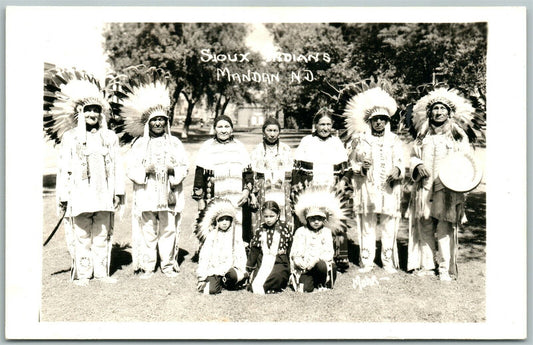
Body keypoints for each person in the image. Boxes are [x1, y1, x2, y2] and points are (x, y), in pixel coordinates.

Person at [44, 68, 125, 286]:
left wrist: (118, 192)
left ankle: (101, 272)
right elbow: (63, 169)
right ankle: (83, 273)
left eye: (96, 110)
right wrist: (63, 195)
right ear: (80, 112)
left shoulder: (109, 137)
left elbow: (117, 166)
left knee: (101, 235)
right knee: (81, 236)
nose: (92, 115)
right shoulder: (70, 138)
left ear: (102, 113)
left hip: (103, 194)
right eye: (88, 110)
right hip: (79, 195)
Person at [119, 71, 189, 279]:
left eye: (161, 120)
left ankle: (167, 264)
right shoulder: (139, 144)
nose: (158, 123)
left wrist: (172, 171)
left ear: (166, 122)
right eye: (154, 121)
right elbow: (130, 169)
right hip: (147, 193)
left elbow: (184, 166)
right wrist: (145, 171)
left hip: (169, 194)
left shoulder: (175, 143)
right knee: (148, 230)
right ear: (148, 123)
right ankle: (148, 265)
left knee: (168, 229)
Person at [407, 88, 477, 282]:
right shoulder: (423, 134)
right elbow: (413, 155)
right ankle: (427, 265)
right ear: (429, 112)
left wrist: (458, 181)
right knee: (426, 224)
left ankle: (445, 268)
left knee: (445, 227)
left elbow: (466, 160)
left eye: (442, 109)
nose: (438, 112)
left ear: (449, 112)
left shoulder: (457, 135)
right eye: (435, 109)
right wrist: (418, 165)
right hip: (424, 186)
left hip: (447, 188)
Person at [344, 84, 404, 274]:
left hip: (388, 188)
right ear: (369, 122)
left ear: (387, 121)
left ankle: (387, 260)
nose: (379, 123)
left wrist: (398, 169)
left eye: (382, 119)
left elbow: (401, 161)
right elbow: (350, 163)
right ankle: (367, 260)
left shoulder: (394, 140)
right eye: (375, 120)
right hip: (366, 189)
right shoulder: (360, 140)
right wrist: (361, 167)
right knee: (367, 224)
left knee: (388, 224)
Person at [291, 108, 351, 269]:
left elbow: (347, 170)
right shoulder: (306, 141)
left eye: (328, 124)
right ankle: (306, 257)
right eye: (322, 124)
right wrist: (298, 191)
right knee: (312, 219)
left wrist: (343, 182)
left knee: (332, 218)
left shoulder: (336, 142)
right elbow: (297, 170)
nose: (325, 128)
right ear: (315, 125)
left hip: (332, 190)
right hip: (311, 191)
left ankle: (336, 258)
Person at [192, 115, 254, 244]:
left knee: (237, 224)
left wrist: (246, 191)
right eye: (220, 127)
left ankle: (237, 254)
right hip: (214, 194)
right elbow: (199, 175)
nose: (224, 130)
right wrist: (200, 199)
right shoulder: (207, 147)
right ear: (214, 129)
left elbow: (248, 173)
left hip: (237, 197)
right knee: (216, 223)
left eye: (227, 126)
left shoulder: (240, 147)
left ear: (232, 129)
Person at [290, 187, 345, 293]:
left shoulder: (326, 232)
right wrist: (299, 261)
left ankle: (322, 282)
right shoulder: (301, 231)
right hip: (305, 267)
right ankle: (311, 281)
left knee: (323, 266)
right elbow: (296, 250)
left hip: (320, 265)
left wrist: (315, 260)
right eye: (313, 219)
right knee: (305, 289)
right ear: (307, 219)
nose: (316, 222)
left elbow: (328, 252)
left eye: (319, 219)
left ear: (324, 220)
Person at [196, 198, 248, 294]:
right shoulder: (212, 236)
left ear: (231, 221)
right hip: (215, 269)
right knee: (210, 290)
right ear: (217, 221)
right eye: (221, 220)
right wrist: (202, 277)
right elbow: (205, 256)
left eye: (227, 220)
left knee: (234, 276)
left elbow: (240, 253)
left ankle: (227, 282)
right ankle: (219, 282)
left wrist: (242, 269)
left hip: (230, 269)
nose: (224, 223)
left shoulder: (235, 235)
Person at [250, 117, 293, 230]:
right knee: (265, 217)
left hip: (282, 190)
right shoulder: (257, 150)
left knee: (282, 218)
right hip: (263, 190)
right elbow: (252, 175)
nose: (272, 134)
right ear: (263, 132)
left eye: (275, 130)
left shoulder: (286, 149)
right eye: (269, 130)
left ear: (279, 132)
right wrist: (253, 195)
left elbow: (290, 174)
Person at [246, 201, 293, 294]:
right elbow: (255, 250)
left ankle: (271, 285)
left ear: (278, 215)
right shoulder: (260, 229)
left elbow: (290, 246)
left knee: (277, 275)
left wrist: (291, 264)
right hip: (263, 261)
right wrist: (249, 267)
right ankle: (266, 287)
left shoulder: (284, 228)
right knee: (257, 281)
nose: (268, 219)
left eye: (272, 216)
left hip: (279, 261)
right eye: (266, 216)